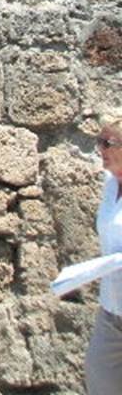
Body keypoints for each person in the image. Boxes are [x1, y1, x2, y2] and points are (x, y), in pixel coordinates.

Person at [86, 114, 122, 394]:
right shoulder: (110, 184)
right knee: (99, 380)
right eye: (99, 141)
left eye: (107, 142)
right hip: (112, 309)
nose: (101, 149)